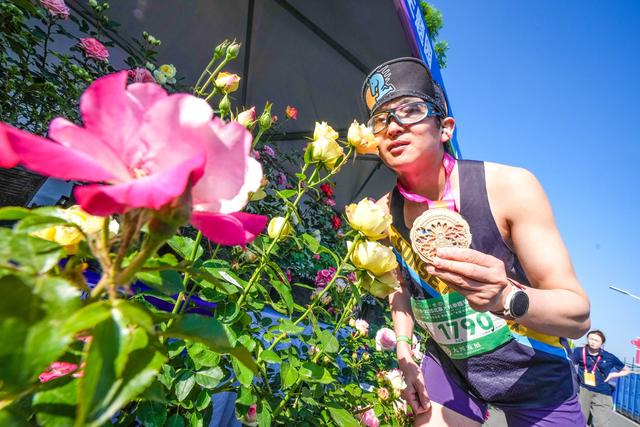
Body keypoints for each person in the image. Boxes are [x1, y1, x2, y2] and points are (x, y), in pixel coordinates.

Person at [361, 57, 591, 426]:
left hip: (535, 376)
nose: (393, 126)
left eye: (411, 110)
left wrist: (506, 297)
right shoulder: (382, 213)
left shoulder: (510, 188)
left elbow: (578, 315)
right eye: (381, 120)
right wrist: (404, 352)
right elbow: (399, 286)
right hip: (452, 370)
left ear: (445, 128)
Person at [574, 330, 631, 426]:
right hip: (584, 390)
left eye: (596, 340)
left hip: (602, 393)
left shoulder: (609, 357)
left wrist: (612, 375)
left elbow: (626, 370)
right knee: (580, 422)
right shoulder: (579, 351)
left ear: (602, 343)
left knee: (600, 423)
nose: (593, 342)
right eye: (591, 339)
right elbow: (571, 365)